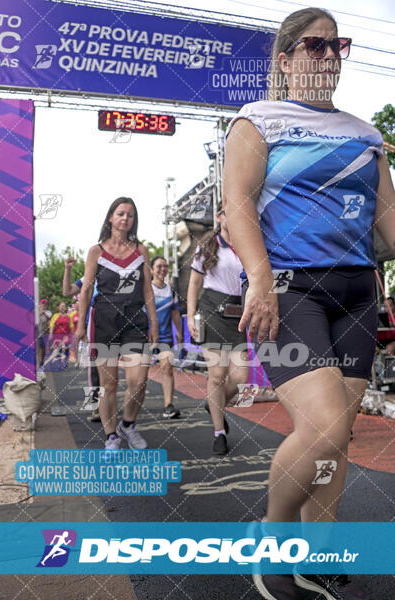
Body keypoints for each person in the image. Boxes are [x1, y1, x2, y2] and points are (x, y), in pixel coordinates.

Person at [224, 7, 395, 599]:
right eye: (316, 45)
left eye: (337, 45)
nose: (328, 56)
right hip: (291, 289)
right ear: (286, 57)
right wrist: (261, 275)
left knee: (338, 437)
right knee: (322, 428)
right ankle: (274, 541)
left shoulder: (365, 132)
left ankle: (318, 551)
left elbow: (389, 224)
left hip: (357, 292)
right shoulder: (257, 121)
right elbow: (238, 206)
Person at [76, 197, 158, 450]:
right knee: (108, 385)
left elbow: (147, 290)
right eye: (120, 213)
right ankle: (110, 435)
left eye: (130, 215)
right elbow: (86, 290)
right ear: (110, 217)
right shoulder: (96, 252)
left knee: (139, 380)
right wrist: (80, 325)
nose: (125, 218)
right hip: (104, 320)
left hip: (134, 319)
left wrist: (153, 324)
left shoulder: (141, 251)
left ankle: (128, 424)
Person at [187, 201, 249, 455]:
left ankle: (214, 403)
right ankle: (218, 433)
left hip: (238, 314)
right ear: (220, 217)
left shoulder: (248, 244)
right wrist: (191, 315)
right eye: (229, 213)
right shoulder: (208, 245)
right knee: (216, 375)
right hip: (211, 310)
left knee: (241, 376)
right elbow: (193, 284)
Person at [63, 257, 101, 420]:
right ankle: (96, 406)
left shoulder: (117, 275)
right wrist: (68, 269)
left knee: (110, 368)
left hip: (114, 324)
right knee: (94, 368)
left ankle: (107, 407)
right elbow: (67, 292)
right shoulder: (88, 277)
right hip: (93, 328)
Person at [149, 256, 183, 419]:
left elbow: (175, 313)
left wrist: (180, 332)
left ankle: (168, 405)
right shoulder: (146, 290)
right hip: (146, 337)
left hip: (165, 337)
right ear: (151, 270)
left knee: (167, 368)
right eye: (158, 266)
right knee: (138, 377)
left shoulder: (171, 291)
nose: (162, 269)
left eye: (165, 266)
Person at [48, 301, 73, 367]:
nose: (62, 308)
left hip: (66, 336)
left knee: (65, 349)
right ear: (58, 307)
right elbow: (52, 326)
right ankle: (59, 363)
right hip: (57, 336)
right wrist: (50, 334)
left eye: (64, 306)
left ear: (65, 308)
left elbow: (71, 326)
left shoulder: (68, 316)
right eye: (61, 306)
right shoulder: (55, 316)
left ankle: (64, 363)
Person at [38, 299, 52, 366]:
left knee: (44, 348)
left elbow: (49, 318)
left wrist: (43, 313)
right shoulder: (36, 312)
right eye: (43, 304)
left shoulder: (48, 312)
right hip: (38, 332)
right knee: (39, 348)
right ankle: (40, 361)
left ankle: (42, 361)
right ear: (40, 304)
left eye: (46, 304)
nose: (44, 305)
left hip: (45, 333)